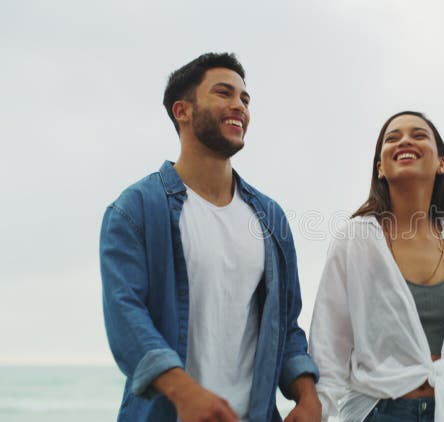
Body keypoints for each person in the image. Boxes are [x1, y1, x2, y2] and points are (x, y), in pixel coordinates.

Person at [100, 52, 321, 422]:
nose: (239, 106)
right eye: (224, 93)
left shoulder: (270, 218)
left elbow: (286, 323)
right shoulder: (135, 209)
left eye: (245, 99)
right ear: (182, 111)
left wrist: (308, 396)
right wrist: (186, 394)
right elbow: (126, 316)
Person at [309, 111, 444, 421]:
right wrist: (317, 407)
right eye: (392, 138)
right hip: (379, 411)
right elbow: (330, 341)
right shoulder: (356, 240)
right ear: (380, 168)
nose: (404, 140)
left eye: (418, 135)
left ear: (440, 162)